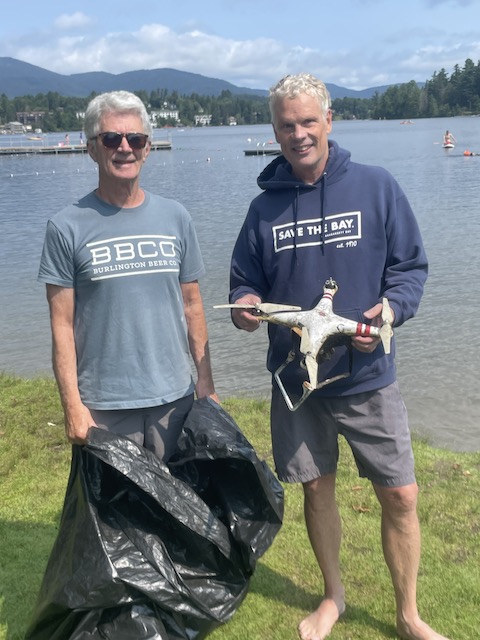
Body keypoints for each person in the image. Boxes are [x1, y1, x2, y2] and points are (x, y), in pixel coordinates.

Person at [228, 73, 449, 640]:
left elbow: (409, 270)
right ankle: (334, 596)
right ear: (274, 131)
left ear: (330, 120)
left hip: (368, 374)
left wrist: (390, 313)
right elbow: (242, 285)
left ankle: (408, 615)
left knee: (400, 493)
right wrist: (245, 306)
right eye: (286, 125)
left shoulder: (376, 187)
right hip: (297, 382)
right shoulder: (262, 211)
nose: (299, 134)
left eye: (308, 121)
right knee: (316, 486)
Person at [38, 90, 218, 461]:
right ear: (92, 148)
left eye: (135, 139)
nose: (124, 148)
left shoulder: (176, 217)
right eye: (111, 138)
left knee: (181, 512)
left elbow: (192, 306)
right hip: (104, 406)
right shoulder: (65, 226)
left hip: (175, 399)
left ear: (147, 148)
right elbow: (61, 325)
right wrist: (73, 406)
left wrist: (206, 384)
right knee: (116, 517)